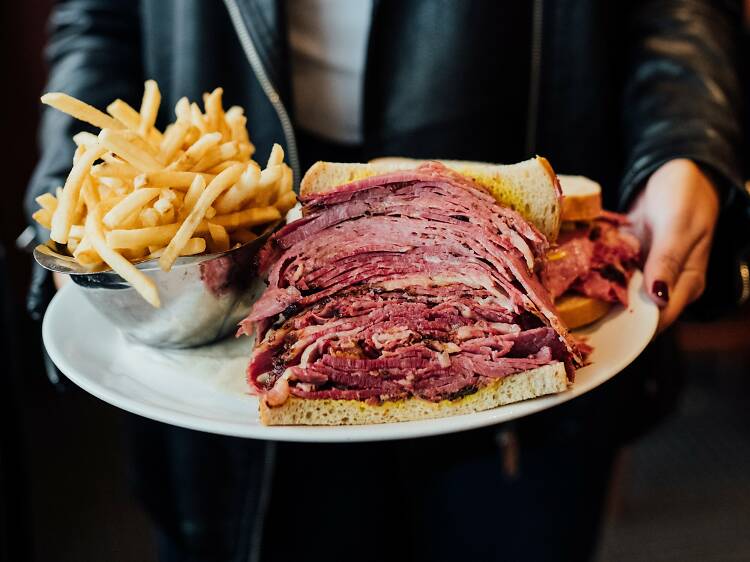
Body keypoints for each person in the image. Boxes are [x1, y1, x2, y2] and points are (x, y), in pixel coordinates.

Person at [25, 1, 750, 561]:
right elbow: (100, 20)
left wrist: (683, 146)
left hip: (530, 180)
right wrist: (75, 201)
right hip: (231, 215)